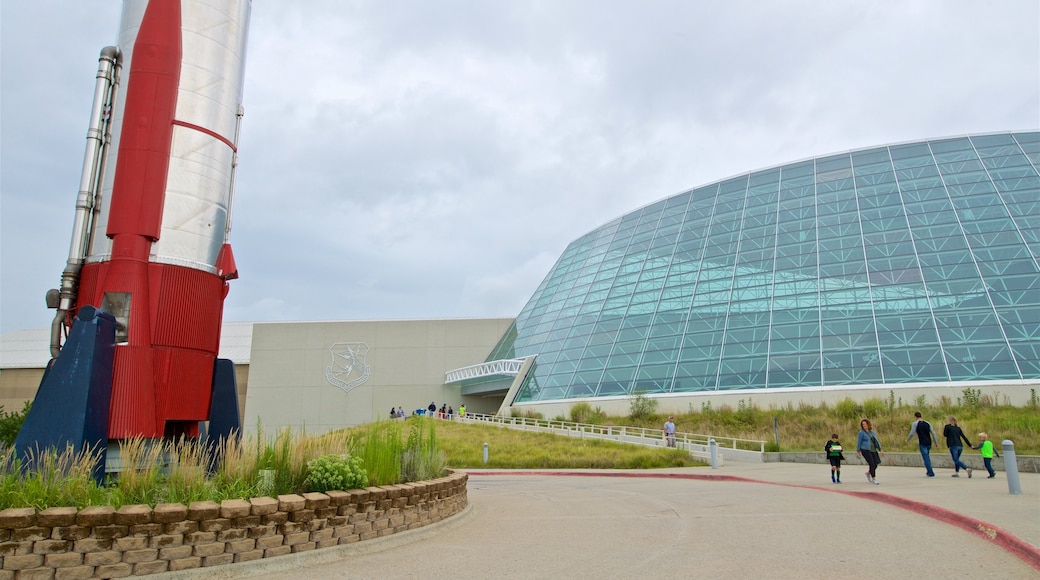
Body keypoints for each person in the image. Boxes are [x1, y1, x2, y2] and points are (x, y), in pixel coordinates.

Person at [906, 411, 939, 477]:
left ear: (915, 416)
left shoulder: (915, 423)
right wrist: (936, 442)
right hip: (928, 442)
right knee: (927, 457)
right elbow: (933, 433)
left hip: (922, 442)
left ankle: (931, 472)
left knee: (926, 458)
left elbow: (912, 432)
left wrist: (908, 439)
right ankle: (928, 471)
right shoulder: (928, 423)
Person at [856, 418, 884, 485]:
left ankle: (869, 473)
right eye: (863, 424)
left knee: (876, 464)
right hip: (865, 450)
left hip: (873, 449)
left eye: (865, 424)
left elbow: (876, 441)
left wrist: (880, 449)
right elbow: (859, 442)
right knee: (871, 463)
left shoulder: (872, 432)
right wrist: (858, 451)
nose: (864, 425)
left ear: (868, 424)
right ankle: (873, 479)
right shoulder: (861, 433)